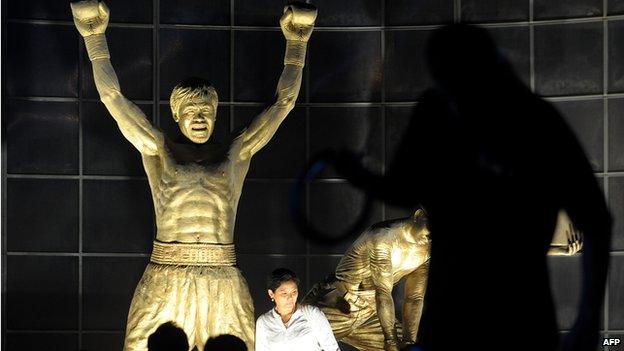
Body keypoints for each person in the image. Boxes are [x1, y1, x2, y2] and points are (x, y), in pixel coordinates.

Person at [326, 24, 611, 351]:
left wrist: (588, 319)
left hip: (501, 311)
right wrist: (588, 319)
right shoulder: (458, 113)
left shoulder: (516, 117)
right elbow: (402, 190)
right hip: (475, 312)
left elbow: (595, 220)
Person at [70, 1, 316, 350]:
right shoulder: (157, 149)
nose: (200, 118)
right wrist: (95, 38)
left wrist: (297, 44)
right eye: (191, 111)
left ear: (215, 115)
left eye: (206, 111)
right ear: (176, 115)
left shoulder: (237, 151)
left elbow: (284, 102)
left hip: (223, 275)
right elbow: (112, 97)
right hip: (166, 273)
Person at [255, 268, 340, 351]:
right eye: (284, 293)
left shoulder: (312, 314)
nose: (290, 298)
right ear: (271, 294)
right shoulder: (264, 322)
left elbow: (332, 348)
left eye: (294, 292)